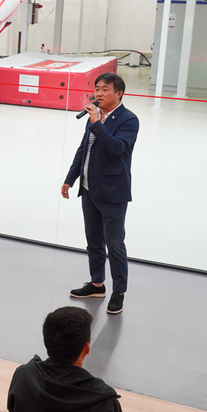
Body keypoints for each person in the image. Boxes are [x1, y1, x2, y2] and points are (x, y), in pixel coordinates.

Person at [62, 72, 139, 315]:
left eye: (105, 89)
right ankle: (97, 284)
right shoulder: (95, 117)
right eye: (97, 89)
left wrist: (96, 123)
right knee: (93, 240)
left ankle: (119, 292)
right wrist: (71, 178)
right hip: (89, 189)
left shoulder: (129, 120)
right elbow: (84, 149)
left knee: (114, 244)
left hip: (113, 193)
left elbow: (116, 148)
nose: (99, 93)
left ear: (119, 93)